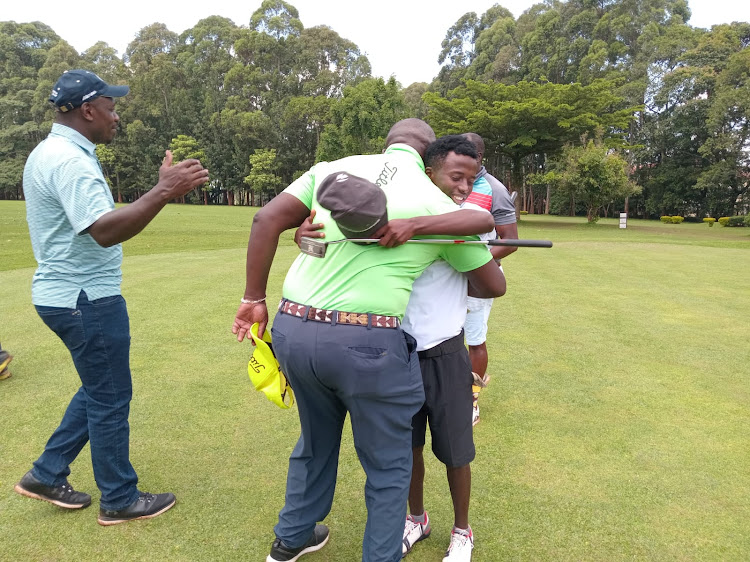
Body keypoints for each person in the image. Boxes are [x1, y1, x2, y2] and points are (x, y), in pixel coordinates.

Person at [232, 118, 505, 562]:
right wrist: (445, 236)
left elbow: (267, 219)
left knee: (315, 440)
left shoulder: (333, 170)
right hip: (366, 342)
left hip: (294, 328)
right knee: (389, 463)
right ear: (428, 156)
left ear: (387, 145)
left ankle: (291, 539)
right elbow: (492, 283)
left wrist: (252, 297)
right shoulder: (435, 203)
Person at [17, 69, 209, 525]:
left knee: (99, 388)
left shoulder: (51, 151)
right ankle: (120, 498)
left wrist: (160, 188)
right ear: (87, 110)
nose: (116, 117)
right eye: (111, 107)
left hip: (65, 293)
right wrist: (164, 190)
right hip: (86, 298)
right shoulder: (69, 160)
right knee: (110, 396)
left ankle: (45, 474)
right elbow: (103, 231)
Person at [399, 135, 503, 561]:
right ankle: (416, 519)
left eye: (470, 179)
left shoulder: (460, 225)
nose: (463, 187)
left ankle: (463, 530)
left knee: (456, 451)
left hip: (445, 353)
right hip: (398, 351)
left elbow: (493, 283)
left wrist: (461, 253)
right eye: (455, 177)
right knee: (408, 447)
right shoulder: (399, 214)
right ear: (429, 174)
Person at [462, 133, 519, 426]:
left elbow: (510, 241)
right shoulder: (448, 183)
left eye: (469, 153)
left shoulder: (494, 189)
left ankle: (471, 400)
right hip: (444, 279)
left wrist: (475, 263)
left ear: (480, 157)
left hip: (479, 280)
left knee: (475, 340)